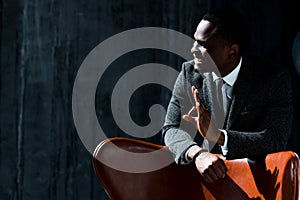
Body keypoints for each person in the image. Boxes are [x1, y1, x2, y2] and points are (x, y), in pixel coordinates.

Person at [162, 10, 293, 183]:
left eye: (204, 46)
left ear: (232, 51)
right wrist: (198, 154)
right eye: (195, 41)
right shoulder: (189, 73)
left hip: (254, 183)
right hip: (198, 184)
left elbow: (275, 139)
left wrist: (218, 136)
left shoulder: (273, 80)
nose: (193, 50)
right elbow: (170, 128)